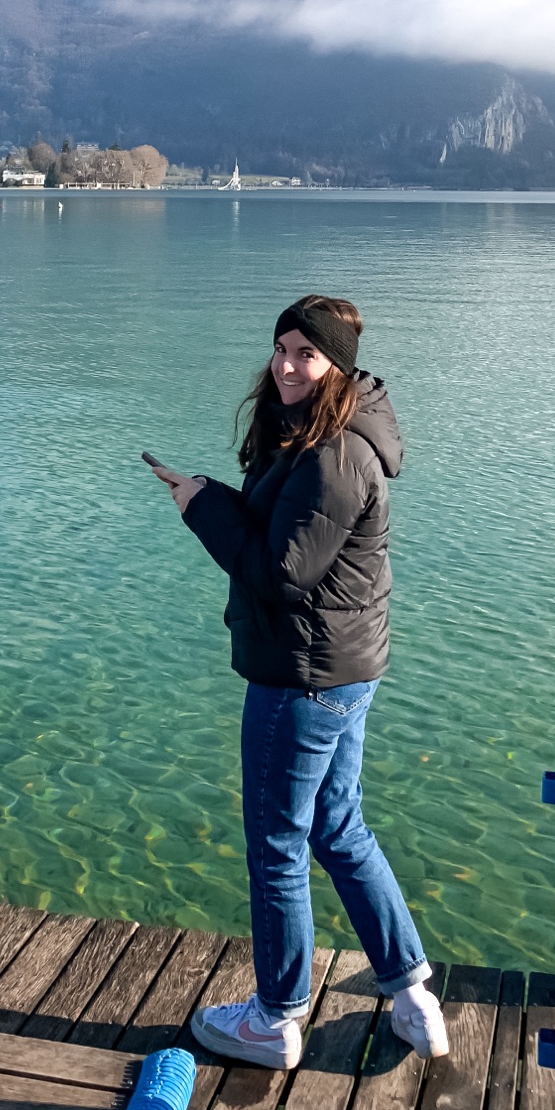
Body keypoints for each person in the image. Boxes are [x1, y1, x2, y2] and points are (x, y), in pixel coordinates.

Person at [151, 294, 448, 1069]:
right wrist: (216, 494)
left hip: (304, 677)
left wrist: (200, 508)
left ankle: (277, 1019)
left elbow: (283, 574)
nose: (286, 366)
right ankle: (412, 988)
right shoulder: (322, 434)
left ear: (336, 367)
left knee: (277, 845)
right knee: (338, 825)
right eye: (281, 348)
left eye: (305, 355)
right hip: (343, 669)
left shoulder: (337, 454)